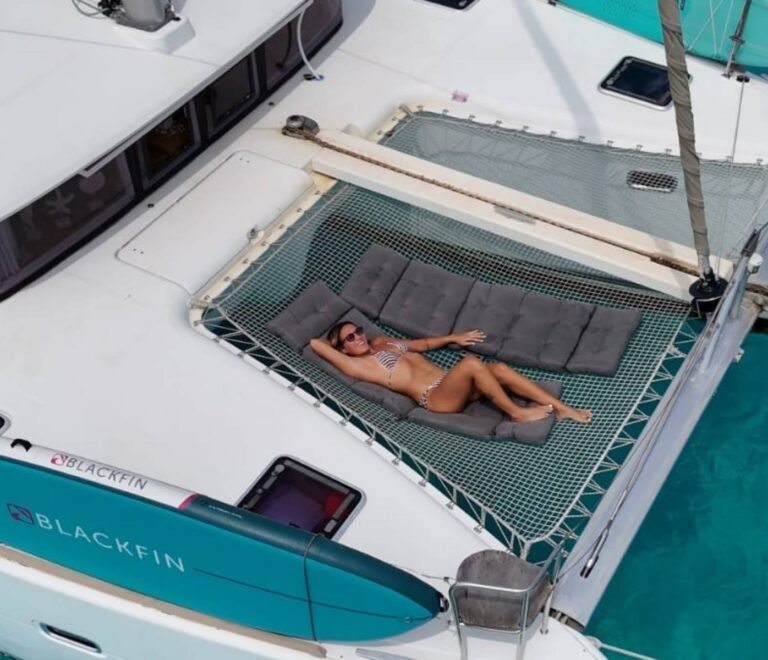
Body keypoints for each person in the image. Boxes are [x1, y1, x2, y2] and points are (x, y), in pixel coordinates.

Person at [309, 321, 592, 424]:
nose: (358, 337)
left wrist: (453, 338)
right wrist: (332, 343)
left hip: (450, 384)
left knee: (499, 369)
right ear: (343, 349)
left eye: (357, 330)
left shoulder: (383, 342)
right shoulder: (359, 366)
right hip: (435, 399)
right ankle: (516, 413)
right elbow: (316, 345)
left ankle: (562, 408)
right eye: (350, 338)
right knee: (470, 364)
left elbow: (422, 344)